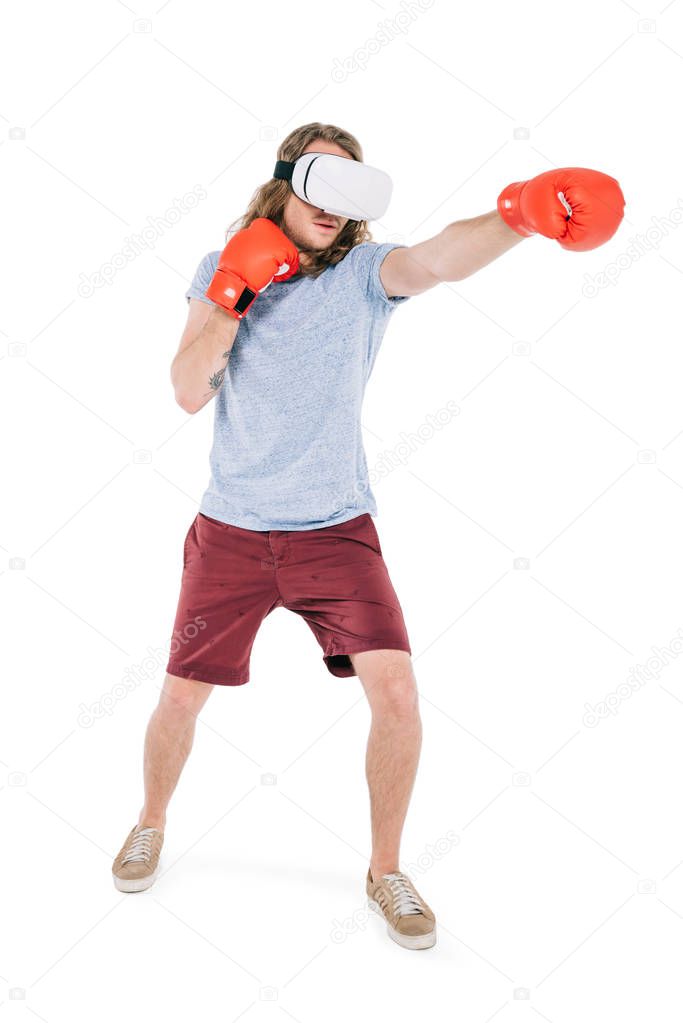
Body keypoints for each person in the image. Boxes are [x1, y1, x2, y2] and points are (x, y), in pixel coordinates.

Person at [112, 121, 624, 951]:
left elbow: (434, 257)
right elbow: (185, 391)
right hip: (232, 530)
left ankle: (384, 868)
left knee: (396, 696)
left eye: (354, 187)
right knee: (179, 695)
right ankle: (150, 821)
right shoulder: (220, 269)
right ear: (285, 182)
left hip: (334, 530)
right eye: (322, 180)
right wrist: (235, 295)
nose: (336, 203)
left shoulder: (360, 274)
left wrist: (519, 216)